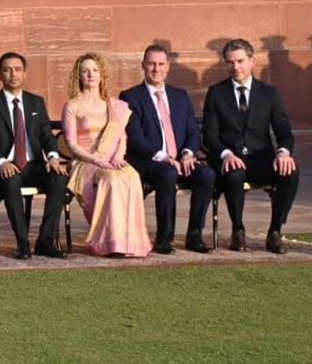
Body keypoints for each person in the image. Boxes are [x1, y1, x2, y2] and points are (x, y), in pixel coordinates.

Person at [202, 38, 298, 253]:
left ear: (252, 61)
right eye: (230, 62)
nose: (235, 67)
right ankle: (238, 230)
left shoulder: (269, 93)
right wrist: (226, 154)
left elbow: (284, 130)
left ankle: (275, 231)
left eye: (240, 61)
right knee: (234, 172)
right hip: (230, 160)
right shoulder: (217, 93)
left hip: (261, 159)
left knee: (290, 172)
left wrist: (283, 152)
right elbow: (209, 135)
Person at [0, 52, 70, 260]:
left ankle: (46, 239)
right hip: (7, 165)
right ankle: (22, 243)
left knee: (59, 178)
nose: (13, 74)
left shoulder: (36, 102)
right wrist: (0, 162)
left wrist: (53, 157)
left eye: (17, 70)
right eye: (7, 70)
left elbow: (46, 135)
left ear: (24, 74)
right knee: (10, 181)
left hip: (34, 164)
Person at [120, 44, 213, 254]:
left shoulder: (180, 96)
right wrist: (163, 157)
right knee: (167, 172)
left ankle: (195, 234)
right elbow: (135, 138)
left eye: (161, 64)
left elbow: (192, 131)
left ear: (168, 67)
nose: (156, 69)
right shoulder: (130, 96)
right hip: (148, 160)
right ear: (143, 65)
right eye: (151, 64)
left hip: (181, 159)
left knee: (206, 174)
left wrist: (188, 153)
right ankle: (165, 236)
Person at [60, 52, 150, 258]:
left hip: (112, 159)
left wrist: (119, 156)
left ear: (102, 74)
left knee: (131, 177)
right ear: (78, 76)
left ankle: (131, 243)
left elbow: (122, 137)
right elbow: (71, 144)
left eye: (94, 70)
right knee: (111, 180)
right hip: (85, 161)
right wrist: (95, 159)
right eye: (85, 71)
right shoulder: (73, 105)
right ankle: (109, 243)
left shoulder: (114, 105)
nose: (90, 74)